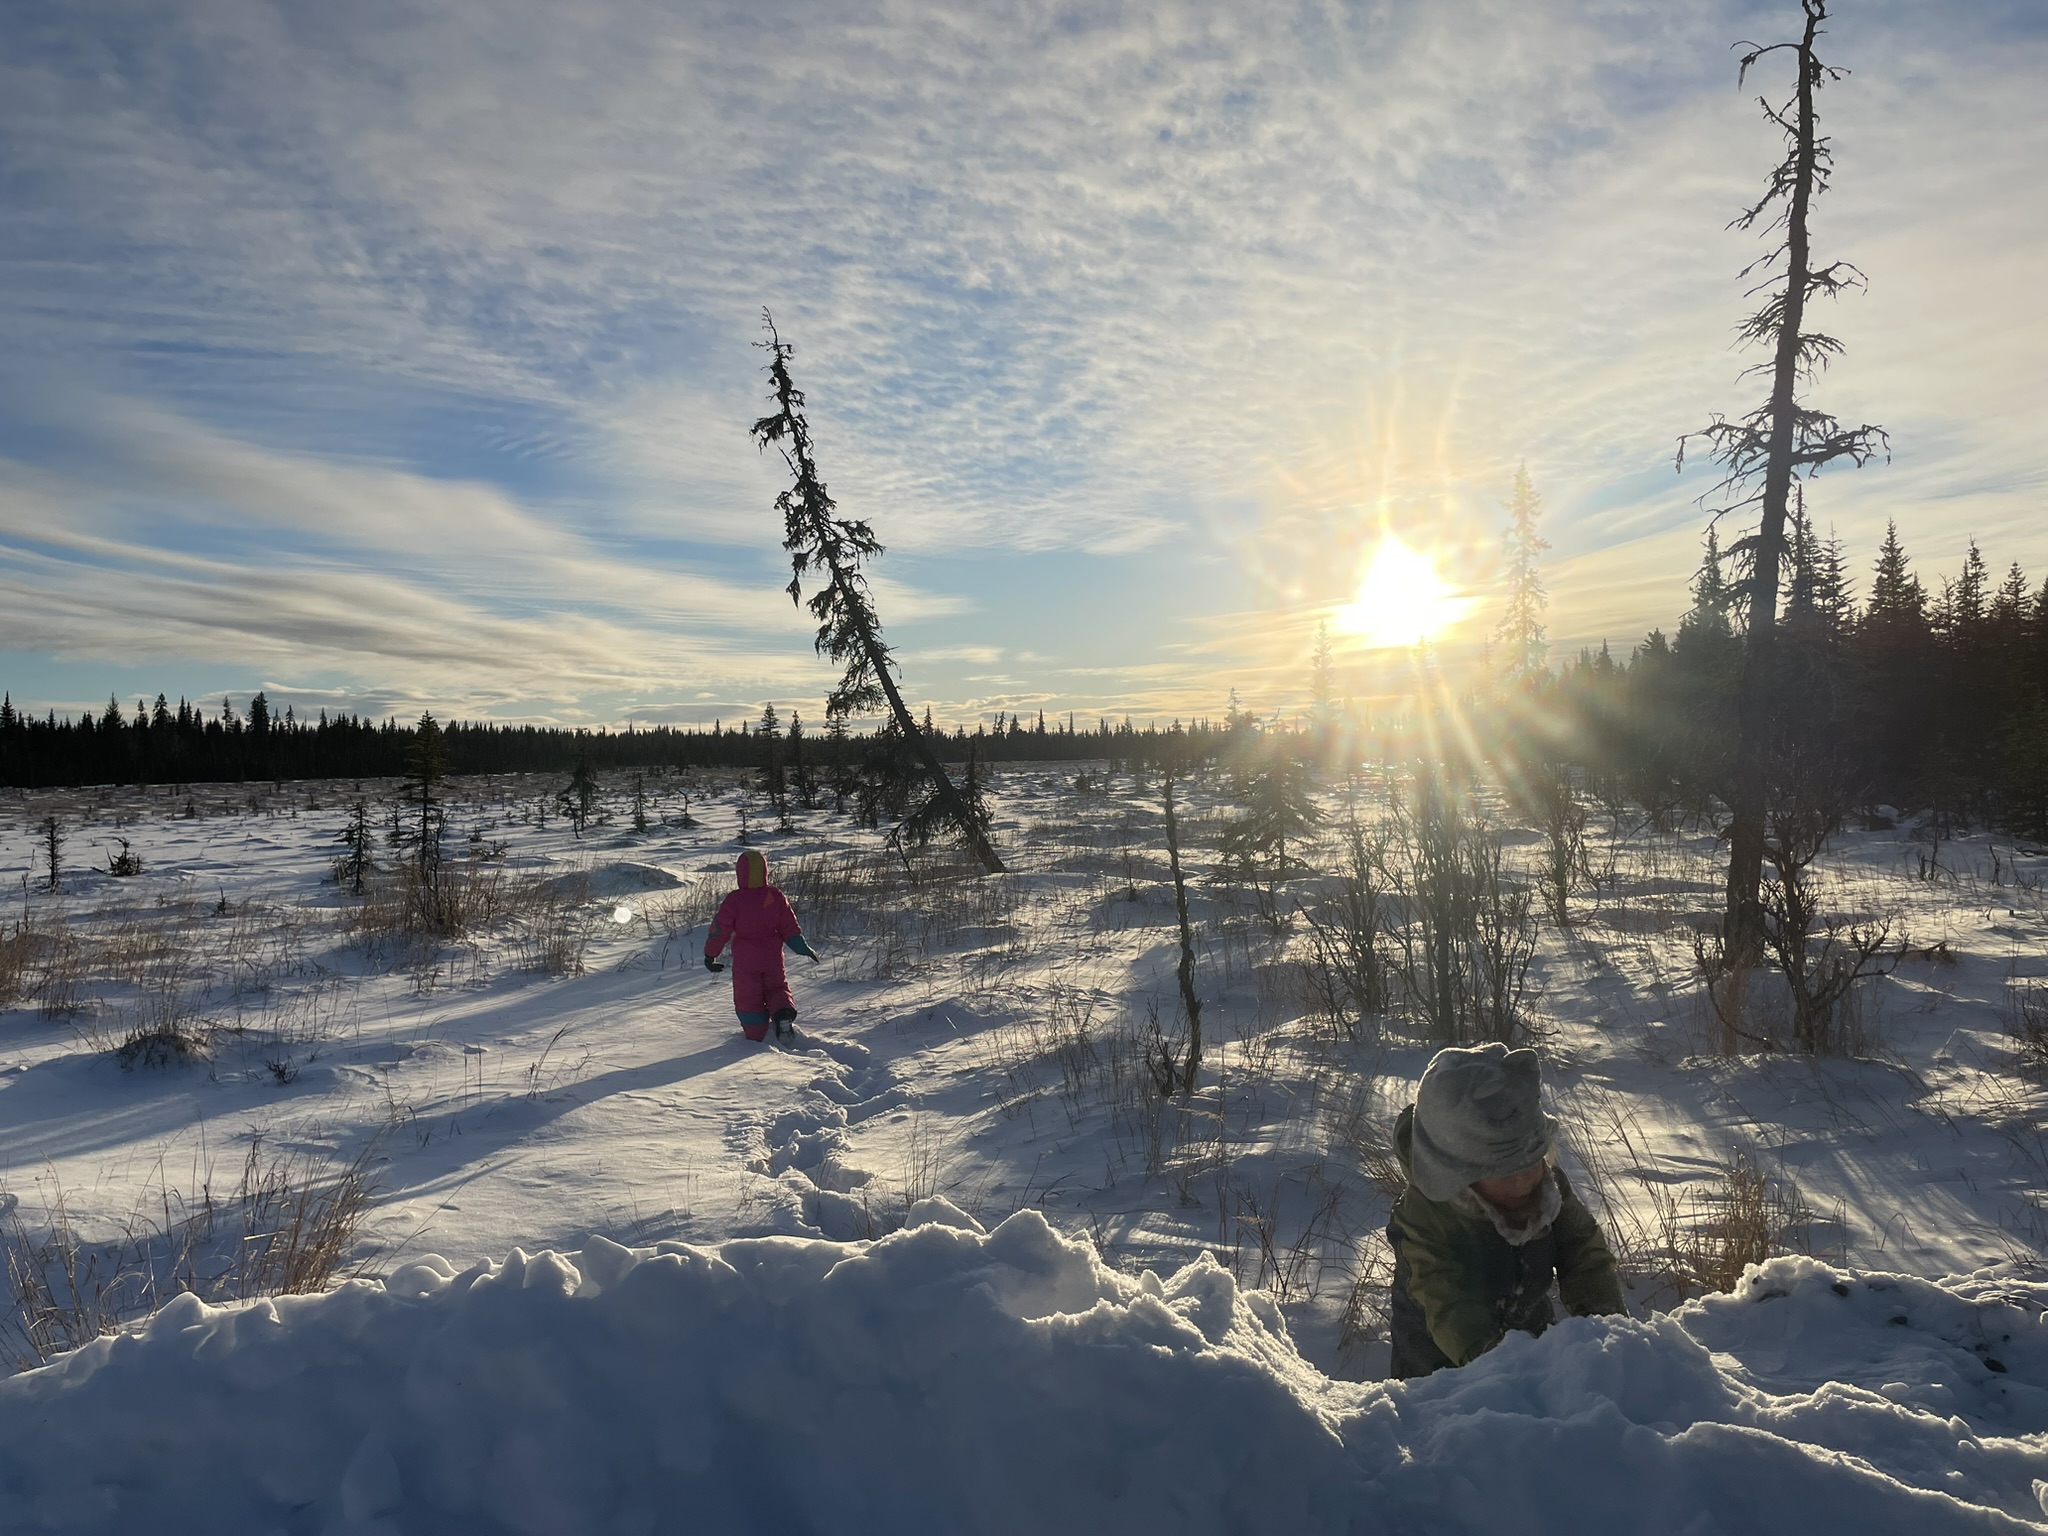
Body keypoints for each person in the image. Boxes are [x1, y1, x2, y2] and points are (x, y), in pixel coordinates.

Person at [1386, 1042, 1623, 1379]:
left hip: (1531, 1340)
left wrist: (1607, 1331)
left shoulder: (1546, 1187)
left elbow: (1583, 1251)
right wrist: (1508, 1374)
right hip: (1441, 1373)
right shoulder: (1426, 1219)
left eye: (1533, 1162)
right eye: (1506, 1172)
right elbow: (1450, 1306)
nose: (1525, 1179)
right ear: (1459, 1174)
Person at [704, 850, 820, 1041]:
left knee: (748, 996)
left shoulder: (734, 900)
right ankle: (783, 1015)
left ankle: (756, 1034)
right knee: (777, 988)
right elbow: (789, 926)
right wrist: (802, 947)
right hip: (772, 958)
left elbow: (719, 930)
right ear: (764, 871)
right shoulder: (774, 895)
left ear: (740, 873)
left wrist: (710, 955)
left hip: (746, 962)